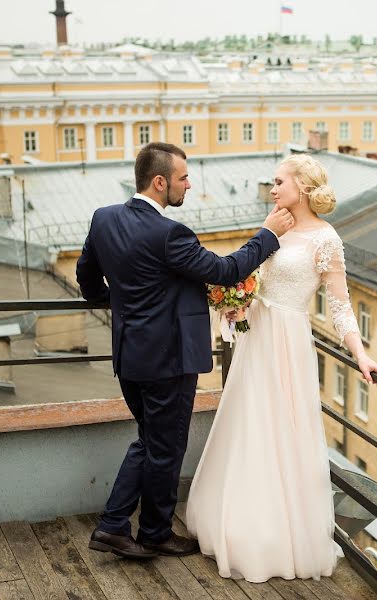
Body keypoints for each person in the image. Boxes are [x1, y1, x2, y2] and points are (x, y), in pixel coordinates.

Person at [76, 142, 296, 559]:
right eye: (183, 178)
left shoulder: (103, 219)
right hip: (168, 362)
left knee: (150, 441)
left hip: (129, 356)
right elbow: (226, 270)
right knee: (165, 448)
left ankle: (116, 526)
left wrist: (122, 304)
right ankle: (144, 531)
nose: (189, 184)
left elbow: (87, 279)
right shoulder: (168, 233)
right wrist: (268, 234)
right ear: (160, 182)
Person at [185, 154, 377, 582]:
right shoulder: (275, 222)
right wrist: (237, 303)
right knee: (249, 424)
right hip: (257, 334)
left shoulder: (326, 240)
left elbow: (339, 305)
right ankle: (239, 524)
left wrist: (359, 353)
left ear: (302, 186)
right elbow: (252, 272)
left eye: (279, 182)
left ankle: (279, 537)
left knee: (282, 430)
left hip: (288, 340)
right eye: (272, 183)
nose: (273, 189)